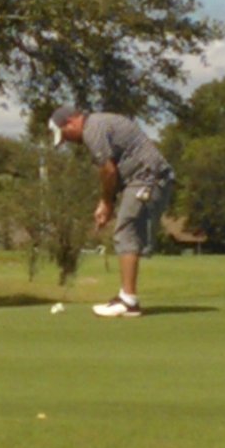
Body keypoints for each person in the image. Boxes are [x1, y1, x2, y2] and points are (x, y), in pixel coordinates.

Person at [49, 106, 173, 318]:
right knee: (127, 231)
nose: (68, 141)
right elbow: (113, 172)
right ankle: (126, 297)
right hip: (144, 178)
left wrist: (106, 202)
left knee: (125, 232)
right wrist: (107, 202)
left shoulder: (92, 130)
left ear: (71, 122)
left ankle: (128, 302)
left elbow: (108, 171)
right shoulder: (98, 124)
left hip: (148, 177)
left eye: (66, 135)